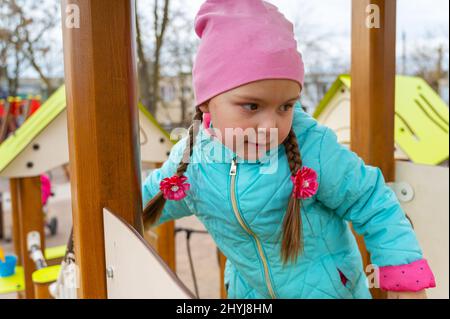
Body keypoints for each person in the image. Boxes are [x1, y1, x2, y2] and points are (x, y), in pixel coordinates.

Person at [142, 0, 435, 299]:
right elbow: (144, 200)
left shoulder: (312, 146)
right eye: (252, 106)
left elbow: (371, 200)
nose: (270, 124)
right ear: (206, 101)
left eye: (286, 106)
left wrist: (405, 280)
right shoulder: (193, 160)